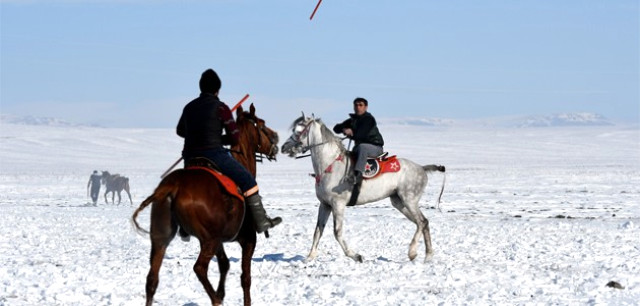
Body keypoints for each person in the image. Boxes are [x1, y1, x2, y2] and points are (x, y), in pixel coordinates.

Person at [176, 68, 281, 233]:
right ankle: (261, 222)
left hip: (189, 158)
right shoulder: (221, 108)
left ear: (201, 88)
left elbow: (180, 131)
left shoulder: (189, 107)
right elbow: (234, 139)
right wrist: (218, 138)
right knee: (248, 182)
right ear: (217, 90)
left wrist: (197, 134)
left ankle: (183, 224)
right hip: (214, 155)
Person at [333, 97, 384, 206]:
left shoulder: (368, 119)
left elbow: (361, 134)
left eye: (360, 105)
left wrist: (352, 131)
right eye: (356, 105)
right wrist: (344, 129)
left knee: (362, 147)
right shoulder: (353, 120)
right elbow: (336, 128)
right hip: (359, 148)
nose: (358, 107)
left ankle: (357, 175)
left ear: (366, 107)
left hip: (375, 148)